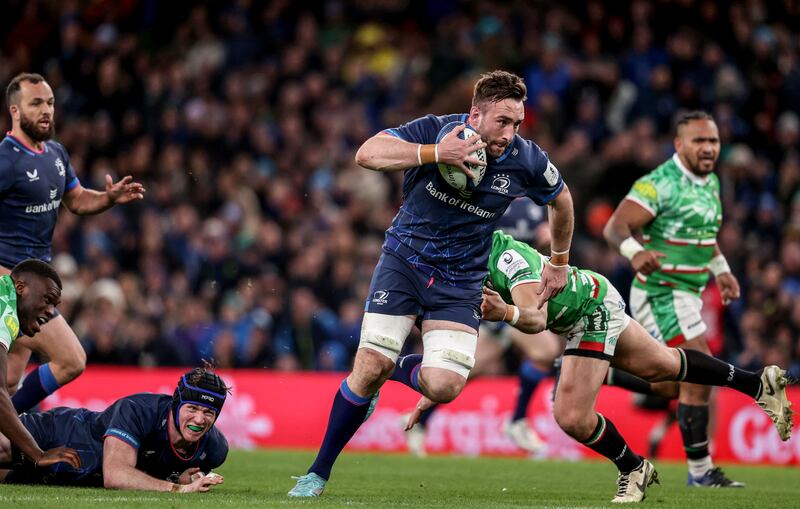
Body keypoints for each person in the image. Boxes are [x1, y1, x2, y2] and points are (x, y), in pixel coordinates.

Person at [289, 70, 575, 497]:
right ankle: (317, 473)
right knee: (367, 366)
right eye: (502, 121)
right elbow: (367, 153)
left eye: (517, 123)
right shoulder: (435, 130)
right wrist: (436, 153)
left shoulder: (526, 159)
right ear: (475, 114)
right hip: (404, 261)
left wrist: (559, 261)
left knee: (444, 386)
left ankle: (390, 371)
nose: (509, 133)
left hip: (461, 279)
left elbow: (562, 199)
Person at [406, 230, 792, 503]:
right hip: (592, 298)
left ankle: (633, 468)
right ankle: (759, 385)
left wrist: (504, 311)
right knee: (663, 366)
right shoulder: (463, 270)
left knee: (571, 415)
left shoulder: (504, 256)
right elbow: (463, 344)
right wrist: (436, 392)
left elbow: (536, 320)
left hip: (587, 311)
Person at [603, 110, 744, 487]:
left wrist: (721, 270)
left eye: (713, 141)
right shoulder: (658, 184)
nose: (708, 148)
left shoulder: (710, 182)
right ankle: (700, 471)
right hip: (661, 292)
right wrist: (635, 252)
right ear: (679, 144)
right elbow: (615, 227)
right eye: (699, 141)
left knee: (670, 383)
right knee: (700, 370)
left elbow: (703, 234)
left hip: (688, 293)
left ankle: (599, 367)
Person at [1, 72, 145, 413]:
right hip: (9, 286)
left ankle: (7, 428)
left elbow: (77, 199)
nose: (46, 110)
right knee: (71, 359)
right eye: (36, 103)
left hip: (35, 288)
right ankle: (13, 427)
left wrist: (108, 198)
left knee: (9, 381)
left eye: (50, 103)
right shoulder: (6, 160)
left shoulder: (56, 154)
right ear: (15, 111)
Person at [0, 364, 229, 492]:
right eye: (192, 408)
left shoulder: (214, 449)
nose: (199, 419)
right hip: (60, 435)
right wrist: (178, 489)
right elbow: (116, 476)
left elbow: (170, 470)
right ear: (176, 404)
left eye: (209, 413)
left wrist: (183, 478)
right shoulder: (138, 409)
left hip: (64, 476)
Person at [0, 259, 82, 473]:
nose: (51, 311)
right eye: (47, 300)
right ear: (20, 287)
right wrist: (38, 454)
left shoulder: (8, 305)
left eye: (55, 305)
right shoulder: (4, 311)